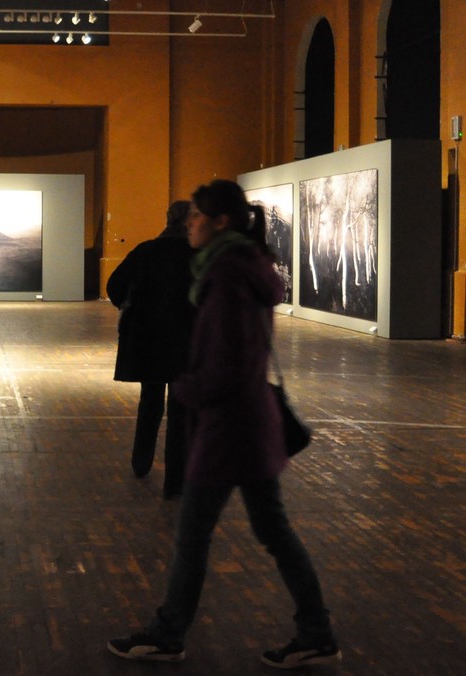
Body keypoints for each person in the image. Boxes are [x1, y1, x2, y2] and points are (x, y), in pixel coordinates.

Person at [107, 179, 340, 669]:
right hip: (248, 423)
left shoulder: (227, 276)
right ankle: (316, 631)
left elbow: (228, 361)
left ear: (221, 222)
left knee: (195, 535)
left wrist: (190, 389)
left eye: (197, 216)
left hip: (230, 427)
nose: (189, 224)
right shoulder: (241, 268)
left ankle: (169, 633)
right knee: (272, 532)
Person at [106, 201, 195, 498]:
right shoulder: (201, 256)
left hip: (149, 342)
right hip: (186, 345)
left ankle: (141, 462)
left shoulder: (145, 251)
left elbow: (114, 286)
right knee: (181, 414)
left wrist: (133, 311)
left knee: (150, 402)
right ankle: (175, 482)